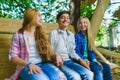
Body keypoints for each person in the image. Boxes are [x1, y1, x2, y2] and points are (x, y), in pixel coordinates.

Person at [8, 8, 67, 80]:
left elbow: (48, 52)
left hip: (43, 64)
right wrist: (28, 64)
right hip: (26, 66)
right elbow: (13, 56)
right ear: (31, 16)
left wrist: (56, 55)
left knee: (61, 78)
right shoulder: (19, 34)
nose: (41, 18)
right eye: (39, 16)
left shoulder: (40, 34)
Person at [49, 10, 93, 80]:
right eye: (63, 17)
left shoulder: (71, 35)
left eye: (68, 18)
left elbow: (71, 52)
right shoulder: (54, 33)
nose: (66, 19)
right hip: (59, 62)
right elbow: (50, 50)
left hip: (69, 61)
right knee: (75, 77)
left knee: (89, 73)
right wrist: (55, 57)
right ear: (57, 21)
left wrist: (80, 60)